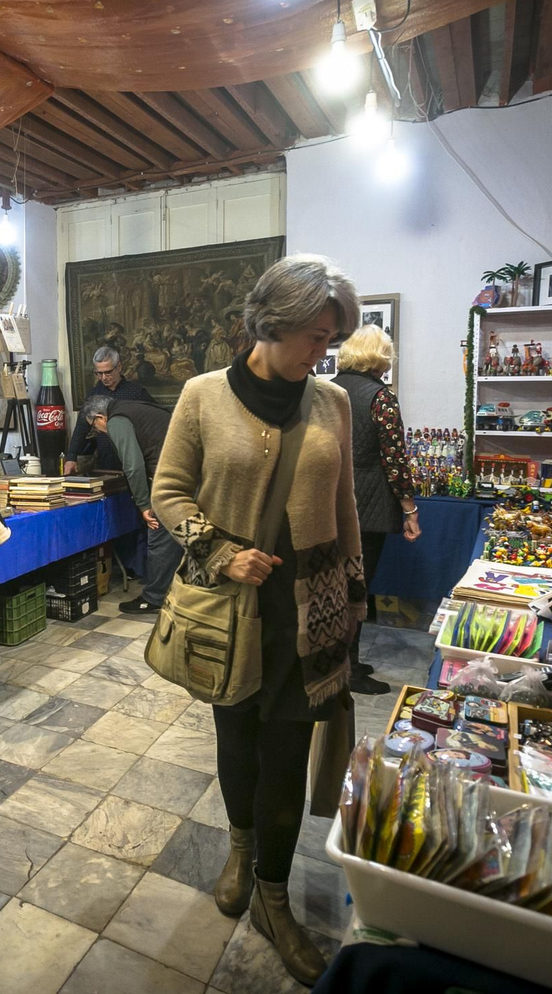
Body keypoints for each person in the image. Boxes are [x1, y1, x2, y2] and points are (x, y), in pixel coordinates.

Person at [153, 254, 367, 986]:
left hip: (310, 617)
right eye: (313, 335)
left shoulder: (333, 402)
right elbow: (169, 490)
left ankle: (274, 897)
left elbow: (343, 511)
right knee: (236, 738)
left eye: (330, 339)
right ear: (269, 325)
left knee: (287, 753)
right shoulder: (201, 396)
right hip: (229, 613)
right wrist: (217, 550)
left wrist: (357, 601)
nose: (321, 351)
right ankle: (240, 846)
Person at [333, 324, 422, 695]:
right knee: (357, 587)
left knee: (334, 585)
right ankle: (348, 670)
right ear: (379, 357)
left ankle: (341, 660)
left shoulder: (326, 388)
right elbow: (395, 458)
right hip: (367, 502)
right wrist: (410, 508)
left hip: (328, 496)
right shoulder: (380, 397)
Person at [79, 394, 181, 616]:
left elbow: (133, 466)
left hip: (171, 478)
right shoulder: (133, 406)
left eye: (95, 428)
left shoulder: (117, 419)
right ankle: (178, 592)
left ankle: (154, 598)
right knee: (180, 537)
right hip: (187, 472)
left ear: (99, 417)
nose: (99, 433)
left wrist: (144, 505)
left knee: (159, 536)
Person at [63, 345, 155, 474]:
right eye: (99, 373)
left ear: (119, 367)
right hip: (106, 463)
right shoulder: (94, 395)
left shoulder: (137, 392)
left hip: (135, 461)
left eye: (108, 372)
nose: (104, 377)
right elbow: (81, 428)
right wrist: (71, 457)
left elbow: (152, 425)